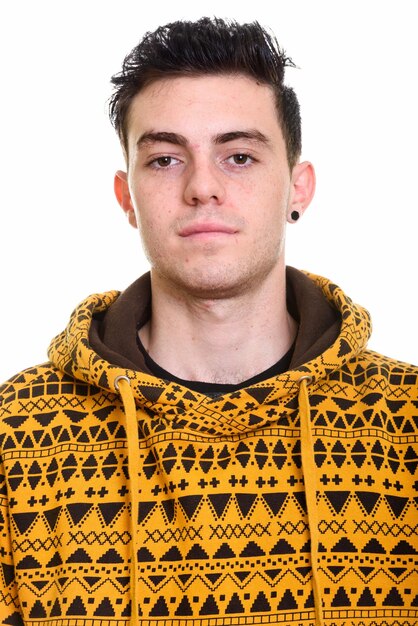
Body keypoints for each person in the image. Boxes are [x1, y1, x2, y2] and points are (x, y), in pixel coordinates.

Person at [0, 16, 417, 626]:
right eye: (166, 160)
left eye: (239, 156)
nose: (202, 187)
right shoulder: (16, 434)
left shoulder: (407, 424)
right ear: (127, 198)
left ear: (298, 189)